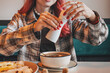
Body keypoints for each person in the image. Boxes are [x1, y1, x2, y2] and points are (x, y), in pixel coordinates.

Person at [0, 0, 108, 61]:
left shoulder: (67, 17)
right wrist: (33, 29)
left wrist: (92, 17)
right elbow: (2, 48)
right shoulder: (20, 18)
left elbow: (97, 39)